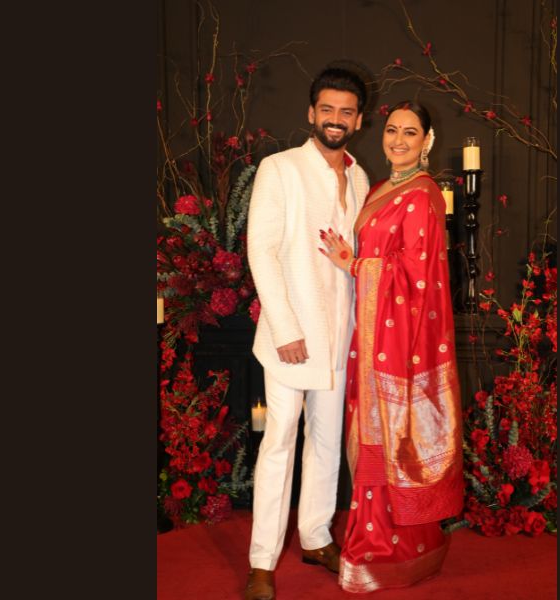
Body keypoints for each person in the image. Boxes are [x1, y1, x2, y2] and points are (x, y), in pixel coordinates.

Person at [319, 100, 464, 593]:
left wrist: (353, 265)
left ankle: (389, 549)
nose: (398, 140)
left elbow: (416, 276)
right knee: (369, 433)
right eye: (392, 130)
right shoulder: (381, 188)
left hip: (399, 342)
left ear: (427, 141)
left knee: (390, 433)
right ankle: (379, 540)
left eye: (410, 132)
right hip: (370, 334)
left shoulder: (423, 195)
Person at [244, 66, 371, 600]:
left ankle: (316, 537)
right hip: (290, 338)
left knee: (326, 441)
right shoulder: (280, 168)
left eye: (346, 112)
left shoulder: (360, 178)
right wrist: (285, 328)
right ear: (311, 113)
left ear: (358, 120)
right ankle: (261, 561)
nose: (335, 119)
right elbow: (261, 250)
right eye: (327, 109)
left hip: (340, 335)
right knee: (279, 442)